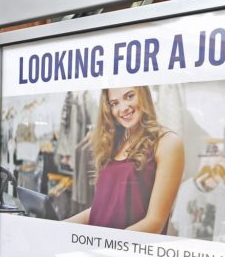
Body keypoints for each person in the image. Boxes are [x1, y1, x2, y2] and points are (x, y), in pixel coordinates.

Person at [66, 86, 184, 233]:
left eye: (129, 96)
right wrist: (61, 227)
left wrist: (108, 247)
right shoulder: (114, 142)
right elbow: (102, 209)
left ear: (144, 94)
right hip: (97, 247)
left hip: (127, 251)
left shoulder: (168, 142)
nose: (122, 109)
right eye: (114, 103)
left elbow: (155, 222)